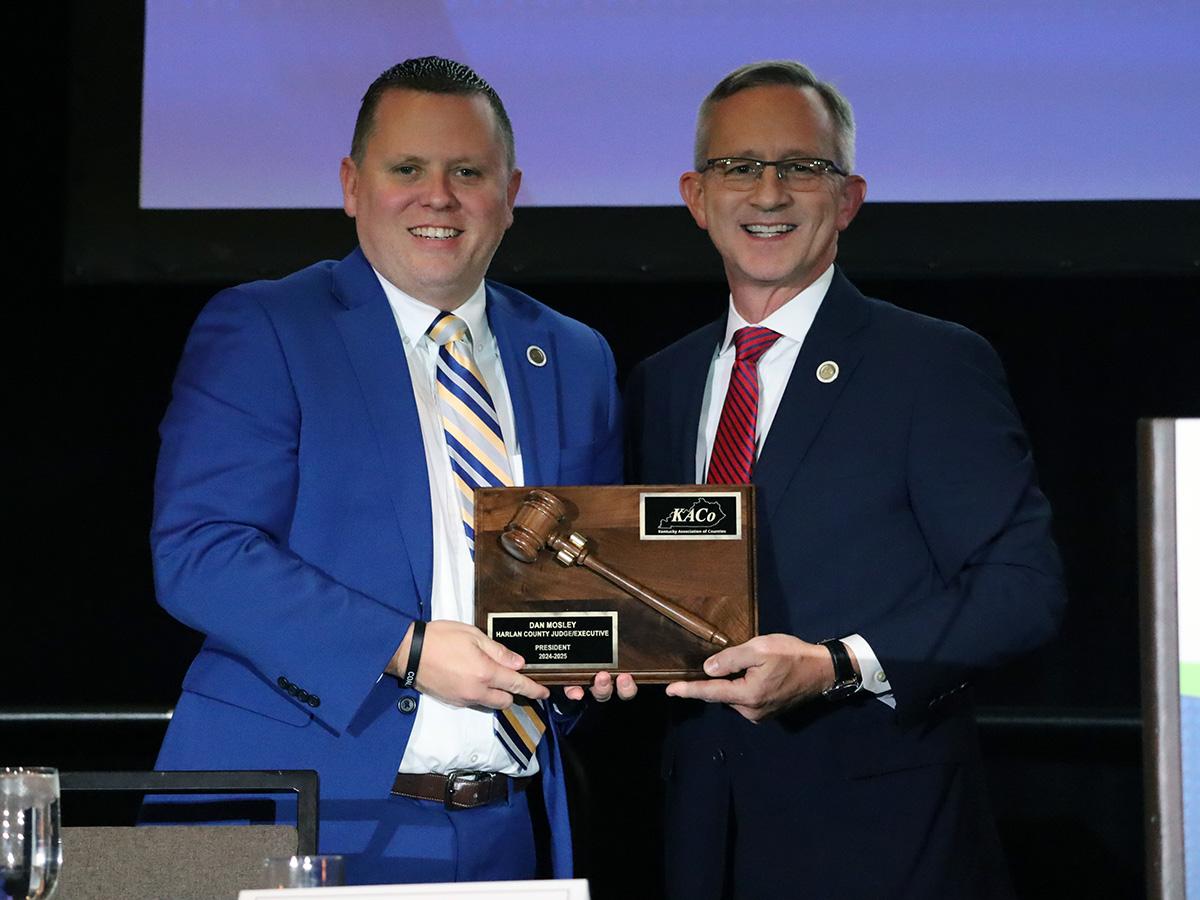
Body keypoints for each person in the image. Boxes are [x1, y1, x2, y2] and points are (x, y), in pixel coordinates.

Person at [149, 56, 629, 885]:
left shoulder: (575, 356)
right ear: (351, 185)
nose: (437, 196)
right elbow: (200, 553)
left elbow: (586, 574)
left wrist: (598, 656)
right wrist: (407, 649)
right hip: (294, 815)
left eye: (467, 172)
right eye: (407, 169)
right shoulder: (268, 327)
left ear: (510, 193)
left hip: (505, 827)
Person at [625, 60, 1067, 898]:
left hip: (884, 850)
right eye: (738, 166)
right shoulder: (659, 383)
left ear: (849, 198)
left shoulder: (930, 366)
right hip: (700, 842)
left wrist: (837, 665)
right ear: (696, 196)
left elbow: (1022, 589)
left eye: (802, 166)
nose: (769, 192)